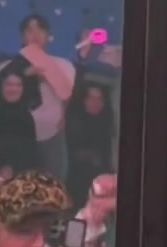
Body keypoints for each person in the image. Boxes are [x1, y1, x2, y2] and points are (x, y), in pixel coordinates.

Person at [17, 14, 75, 177]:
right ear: (22, 37)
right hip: (19, 134)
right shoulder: (9, 67)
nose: (35, 34)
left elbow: (67, 95)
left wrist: (47, 74)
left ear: (48, 36)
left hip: (53, 134)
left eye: (40, 29)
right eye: (30, 30)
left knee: (53, 183)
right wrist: (26, 75)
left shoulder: (64, 65)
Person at [65, 79, 116, 210]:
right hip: (75, 186)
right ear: (83, 100)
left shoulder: (105, 123)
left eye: (99, 99)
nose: (95, 103)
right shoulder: (73, 123)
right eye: (91, 98)